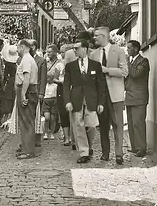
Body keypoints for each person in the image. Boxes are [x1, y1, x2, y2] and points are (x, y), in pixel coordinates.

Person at [91, 26, 128, 165]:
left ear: (104, 36)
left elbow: (125, 71)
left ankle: (119, 154)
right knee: (103, 125)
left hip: (116, 95)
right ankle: (105, 153)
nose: (94, 38)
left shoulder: (118, 51)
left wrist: (107, 70)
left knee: (118, 125)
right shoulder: (94, 54)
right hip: (101, 96)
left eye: (96, 36)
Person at [64, 39, 105, 163]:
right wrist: (67, 101)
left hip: (91, 100)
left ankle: (89, 146)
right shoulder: (70, 66)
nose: (74, 51)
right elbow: (66, 85)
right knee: (78, 126)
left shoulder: (95, 65)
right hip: (76, 100)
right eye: (74, 48)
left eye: (77, 48)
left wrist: (101, 102)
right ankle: (84, 153)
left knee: (92, 125)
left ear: (85, 49)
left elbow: (101, 85)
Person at [125, 40, 150, 157]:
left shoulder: (143, 61)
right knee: (130, 123)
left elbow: (135, 74)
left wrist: (127, 64)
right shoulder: (130, 62)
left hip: (139, 98)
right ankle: (134, 147)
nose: (127, 50)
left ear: (136, 49)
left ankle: (142, 148)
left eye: (129, 48)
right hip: (130, 96)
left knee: (138, 123)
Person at [15, 39, 38, 159]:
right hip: (29, 90)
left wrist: (23, 94)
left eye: (18, 47)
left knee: (26, 121)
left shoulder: (26, 60)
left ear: (23, 47)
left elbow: (27, 78)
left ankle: (28, 150)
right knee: (25, 121)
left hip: (27, 91)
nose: (17, 50)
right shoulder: (28, 59)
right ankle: (25, 147)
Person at [43, 44, 63, 140]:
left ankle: (52, 131)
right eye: (47, 52)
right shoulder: (45, 62)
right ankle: (46, 131)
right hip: (46, 90)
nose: (48, 54)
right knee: (47, 116)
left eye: (50, 52)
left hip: (55, 90)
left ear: (55, 52)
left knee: (53, 115)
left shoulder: (59, 63)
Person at [29, 39, 47, 148]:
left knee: (38, 115)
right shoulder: (23, 59)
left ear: (34, 47)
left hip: (37, 91)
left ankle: (37, 138)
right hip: (27, 91)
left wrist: (41, 93)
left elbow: (43, 78)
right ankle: (28, 138)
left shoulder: (41, 60)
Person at [0, 41, 18, 125]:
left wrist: (4, 83)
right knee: (13, 99)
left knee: (8, 99)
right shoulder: (16, 63)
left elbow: (5, 76)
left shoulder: (8, 64)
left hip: (10, 83)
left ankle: (7, 118)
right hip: (15, 82)